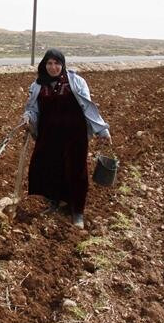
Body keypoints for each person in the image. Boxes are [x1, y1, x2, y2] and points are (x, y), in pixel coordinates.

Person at [21, 48, 111, 229]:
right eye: (49, 63)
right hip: (49, 135)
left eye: (56, 63)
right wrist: (27, 117)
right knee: (48, 167)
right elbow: (33, 109)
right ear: (44, 65)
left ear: (62, 65)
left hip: (74, 135)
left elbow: (88, 107)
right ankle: (54, 202)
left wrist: (102, 130)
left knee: (76, 171)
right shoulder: (38, 85)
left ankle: (77, 210)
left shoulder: (76, 82)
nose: (53, 67)